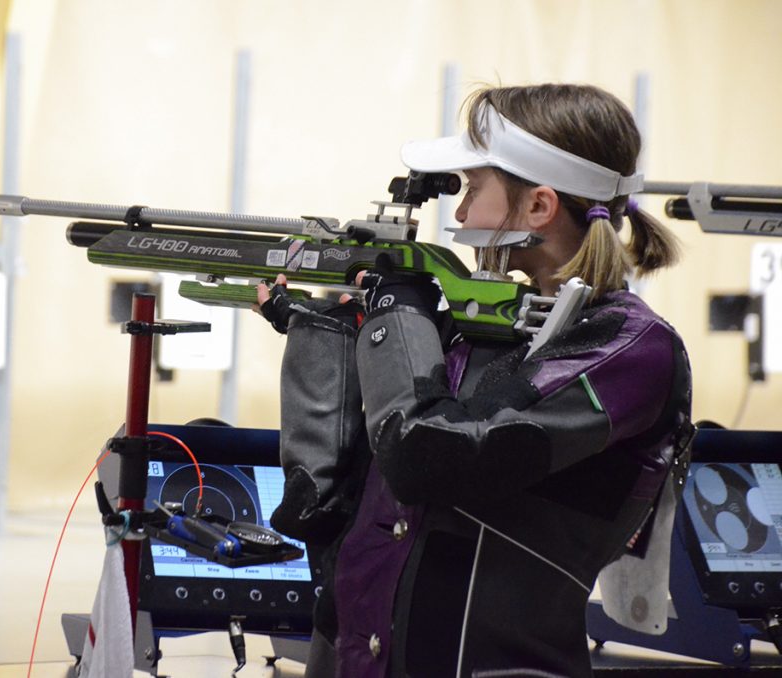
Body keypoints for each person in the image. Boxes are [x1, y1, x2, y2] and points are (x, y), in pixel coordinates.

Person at [255, 83, 694, 678]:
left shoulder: (631, 349)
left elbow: (426, 454)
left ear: (538, 207)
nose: (459, 213)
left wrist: (396, 316)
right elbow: (363, 493)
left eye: (472, 188)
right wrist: (330, 334)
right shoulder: (484, 327)